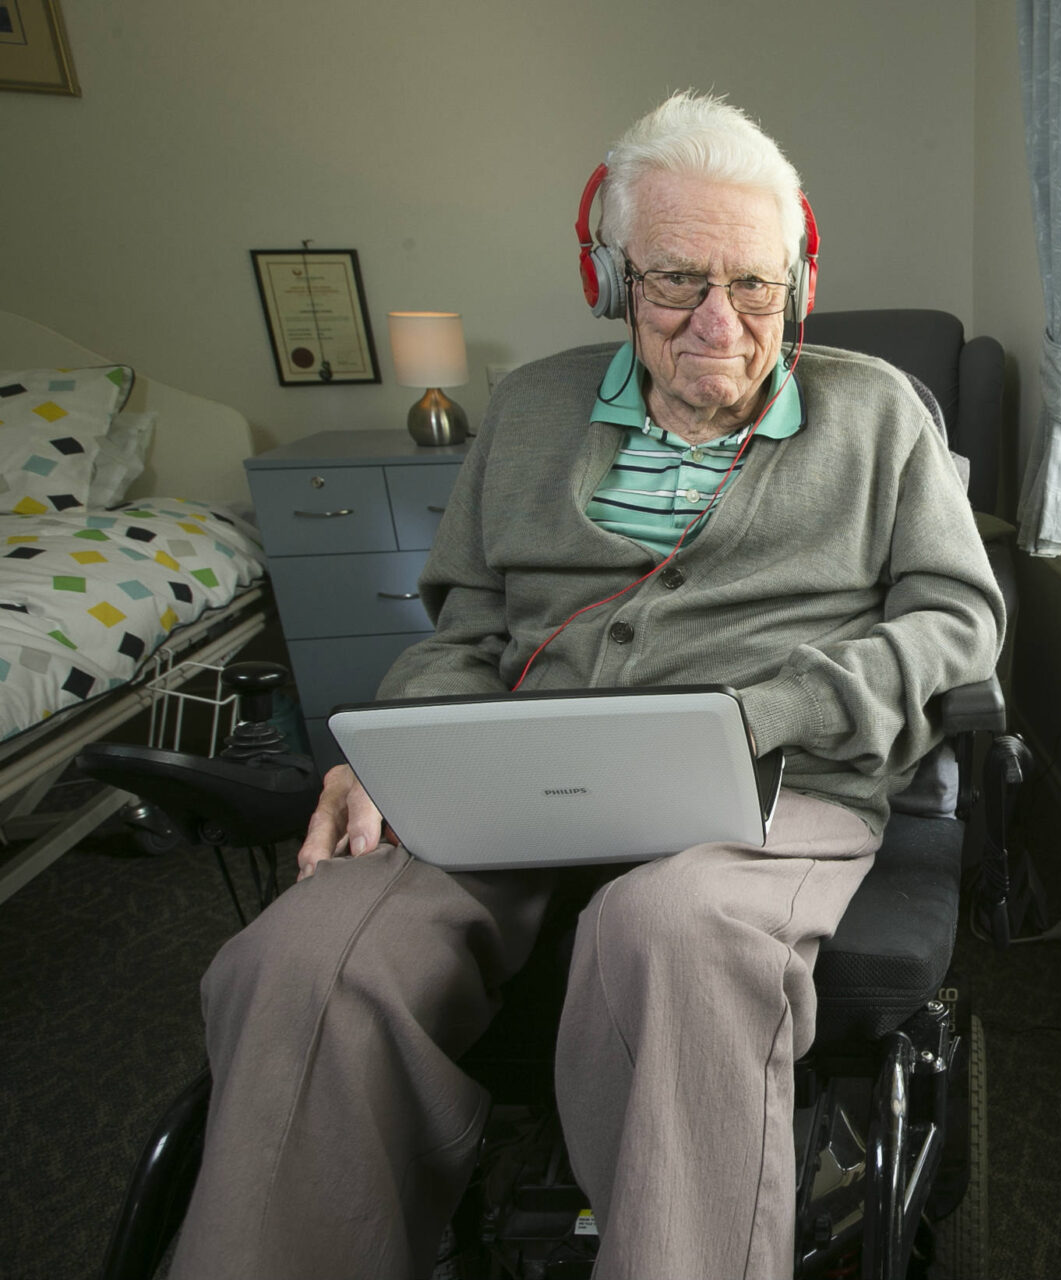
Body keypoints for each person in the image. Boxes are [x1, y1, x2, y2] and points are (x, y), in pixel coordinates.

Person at [169, 91, 1005, 1280]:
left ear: (798, 278)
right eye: (677, 282)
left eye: (755, 284)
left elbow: (957, 621)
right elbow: (463, 628)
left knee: (663, 928)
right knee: (301, 961)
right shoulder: (530, 410)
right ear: (609, 275)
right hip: (523, 766)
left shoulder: (875, 414)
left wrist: (771, 710)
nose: (722, 321)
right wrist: (391, 750)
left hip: (774, 780)